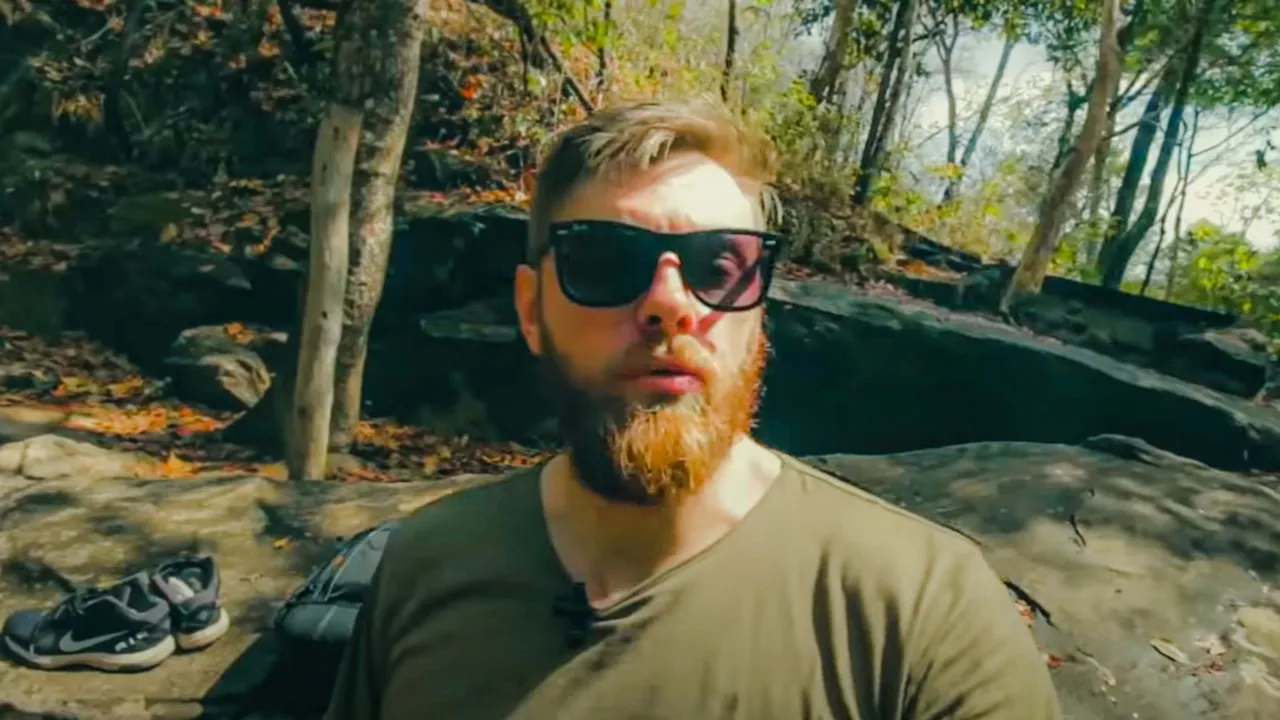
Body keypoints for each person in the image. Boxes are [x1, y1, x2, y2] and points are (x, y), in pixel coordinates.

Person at [324, 98, 1063, 720]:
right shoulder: (426, 564)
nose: (669, 304)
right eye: (605, 260)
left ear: (760, 312)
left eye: (718, 266)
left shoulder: (926, 612)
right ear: (529, 309)